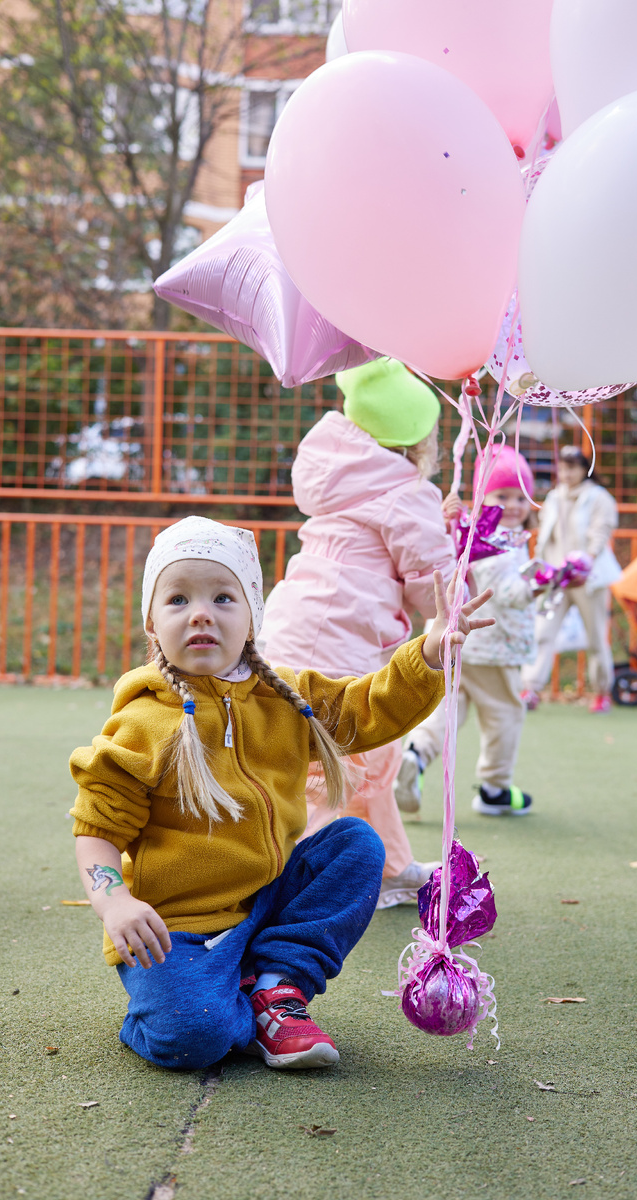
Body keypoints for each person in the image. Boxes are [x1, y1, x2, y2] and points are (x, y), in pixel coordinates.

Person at [70, 516, 492, 1073]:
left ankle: (274, 984)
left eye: (223, 597)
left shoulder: (287, 698)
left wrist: (429, 655)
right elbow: (98, 830)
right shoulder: (142, 725)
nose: (201, 612)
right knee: (195, 1039)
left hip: (269, 899)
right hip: (179, 927)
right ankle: (206, 1010)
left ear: (252, 619)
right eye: (178, 599)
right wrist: (114, 901)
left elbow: (367, 708)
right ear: (153, 623)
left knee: (356, 845)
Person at [259, 358, 458, 909]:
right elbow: (432, 588)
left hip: (297, 626)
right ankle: (303, 881)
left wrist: (435, 520)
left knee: (339, 753)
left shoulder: (345, 477)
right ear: (415, 441)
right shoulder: (405, 492)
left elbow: (387, 536)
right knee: (347, 757)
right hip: (345, 640)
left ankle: (389, 865)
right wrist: (456, 564)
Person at [394, 444, 538, 817]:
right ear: (483, 499)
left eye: (521, 496)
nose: (514, 505)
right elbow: (505, 591)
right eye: (502, 496)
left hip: (454, 643)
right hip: (493, 647)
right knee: (504, 712)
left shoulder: (469, 534)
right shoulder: (497, 542)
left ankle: (417, 754)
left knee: (445, 709)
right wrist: (540, 583)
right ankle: (495, 787)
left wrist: (449, 523)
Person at [521, 444, 621, 714]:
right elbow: (544, 536)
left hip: (588, 579)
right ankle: (530, 688)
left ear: (583, 469)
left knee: (596, 637)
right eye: (562, 468)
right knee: (543, 632)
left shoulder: (599, 497)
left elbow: (601, 531)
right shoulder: (554, 497)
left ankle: (601, 692)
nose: (565, 473)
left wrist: (588, 557)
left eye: (571, 468)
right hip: (556, 577)